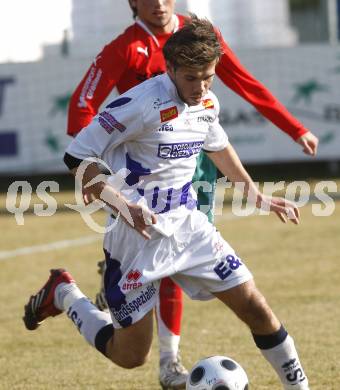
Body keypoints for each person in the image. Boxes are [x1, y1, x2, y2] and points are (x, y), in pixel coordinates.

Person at [25, 16, 310, 389]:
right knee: (130, 356)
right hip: (135, 239)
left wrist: (255, 194)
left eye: (208, 76)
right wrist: (122, 205)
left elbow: (218, 145)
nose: (201, 86)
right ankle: (64, 293)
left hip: (190, 227)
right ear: (170, 68)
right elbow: (75, 159)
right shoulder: (140, 103)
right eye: (191, 78)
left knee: (256, 307)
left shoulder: (208, 100)